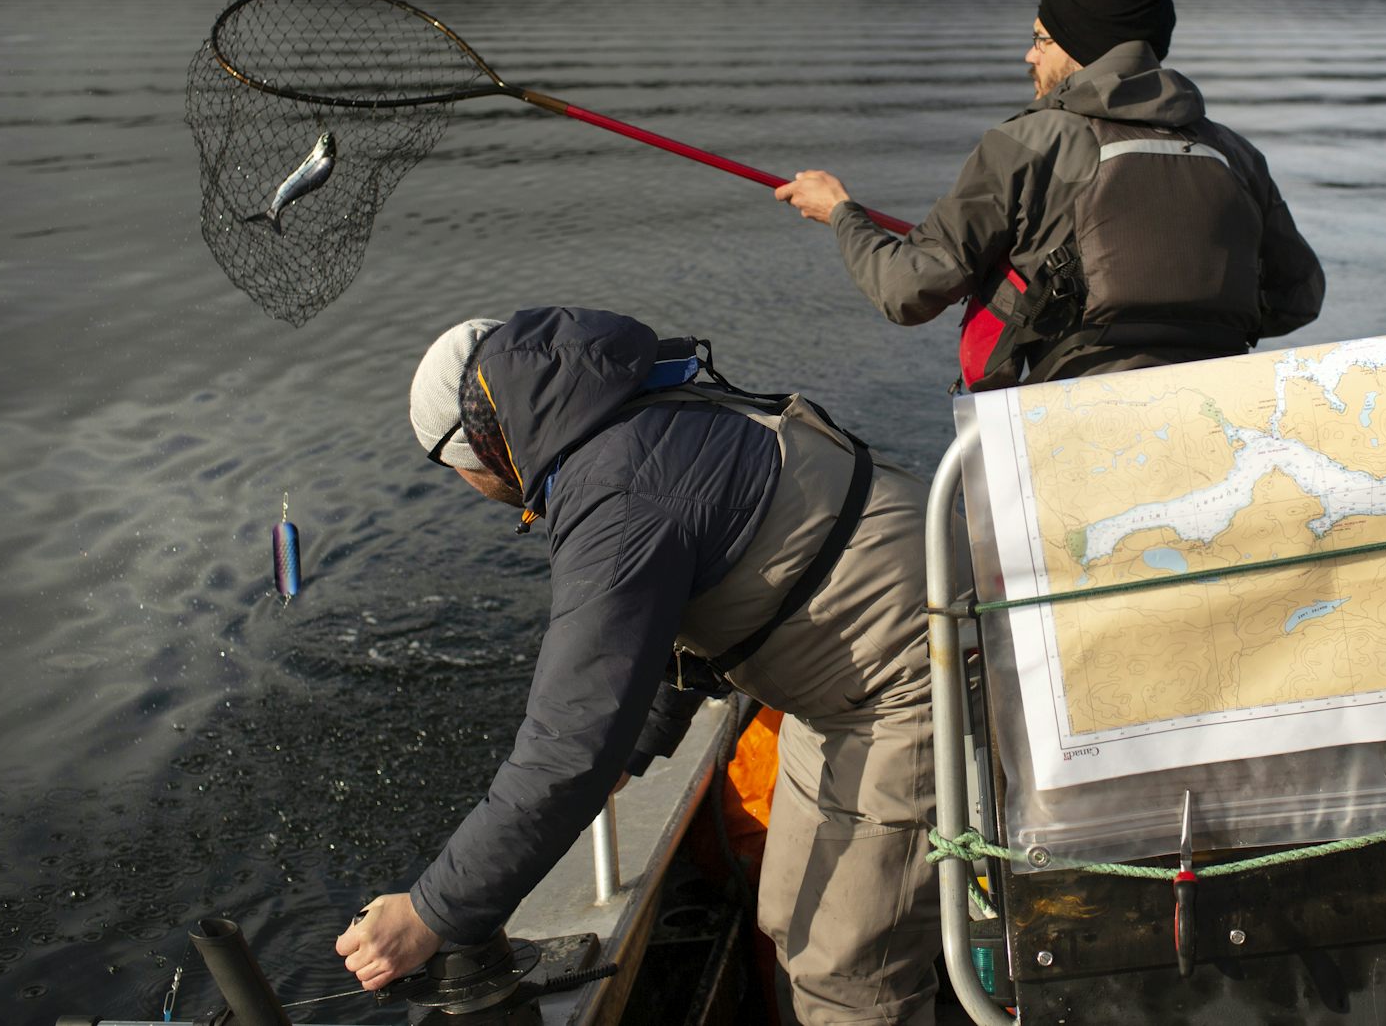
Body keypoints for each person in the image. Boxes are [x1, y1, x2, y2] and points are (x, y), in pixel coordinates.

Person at [336, 307, 940, 1026]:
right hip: (856, 677)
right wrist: (636, 740)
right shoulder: (639, 414)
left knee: (848, 971)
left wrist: (432, 910)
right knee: (791, 912)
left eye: (458, 472)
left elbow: (567, 745)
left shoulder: (614, 490)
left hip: (913, 675)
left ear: (485, 448)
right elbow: (684, 615)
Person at [775, 0, 1325, 389]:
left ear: (1085, 46)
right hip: (1218, 414)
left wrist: (841, 213)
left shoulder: (1026, 144)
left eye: (1042, 39)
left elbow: (907, 289)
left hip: (1071, 423)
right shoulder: (1236, 154)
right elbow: (1298, 298)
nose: (1028, 57)